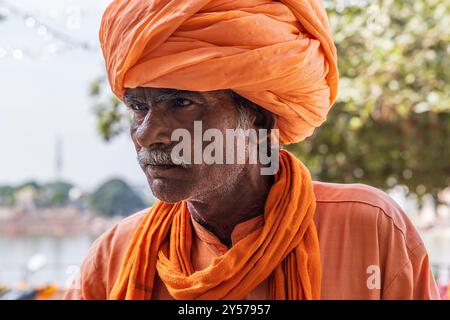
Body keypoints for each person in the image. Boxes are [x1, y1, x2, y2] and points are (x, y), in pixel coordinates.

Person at [64, 0, 439, 300]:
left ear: (258, 121)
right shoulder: (115, 256)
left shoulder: (368, 228)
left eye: (180, 103)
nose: (148, 135)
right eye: (138, 107)